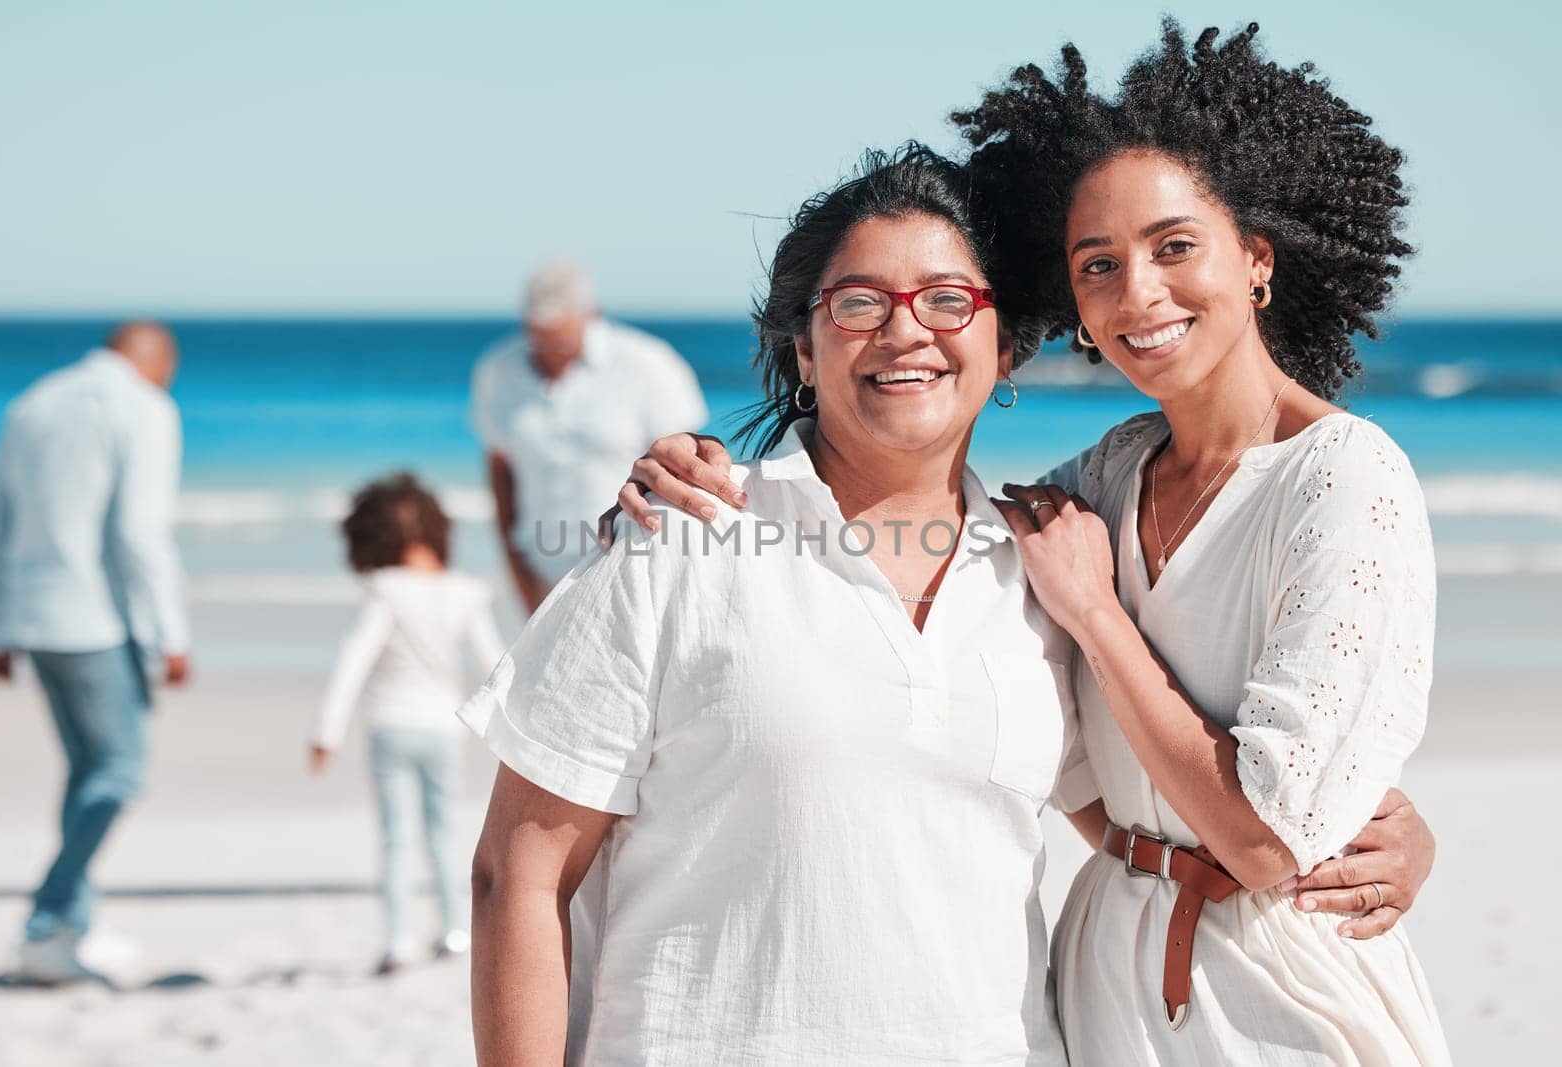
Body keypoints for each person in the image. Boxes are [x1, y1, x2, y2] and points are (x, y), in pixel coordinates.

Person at [614, 20, 1448, 1066]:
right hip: (1104, 974)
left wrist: (1100, 617)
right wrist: (705, 479)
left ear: (1257, 259)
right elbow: (905, 526)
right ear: (1074, 311)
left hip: (1272, 983)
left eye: (1174, 245)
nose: (1136, 291)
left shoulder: (1344, 476)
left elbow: (1268, 835)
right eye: (1097, 264)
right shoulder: (1102, 478)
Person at [462, 146, 1078, 1064]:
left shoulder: (1055, 570)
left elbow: (1151, 820)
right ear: (804, 345)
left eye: (949, 299)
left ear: (1004, 340)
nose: (907, 332)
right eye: (860, 302)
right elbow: (516, 872)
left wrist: (1358, 843)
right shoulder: (680, 539)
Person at [0, 322, 191, 985]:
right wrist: (170, 633)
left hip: (36, 616)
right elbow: (138, 530)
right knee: (121, 770)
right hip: (97, 619)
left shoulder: (33, 401)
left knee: (86, 771)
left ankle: (72, 925)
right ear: (156, 362)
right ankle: (46, 918)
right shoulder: (144, 407)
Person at [308, 473, 504, 976]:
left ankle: (397, 941)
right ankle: (454, 931)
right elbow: (496, 665)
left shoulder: (385, 591)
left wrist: (326, 732)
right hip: (445, 729)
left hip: (391, 728)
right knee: (443, 833)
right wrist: (517, 726)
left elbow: (353, 662)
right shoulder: (466, 593)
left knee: (396, 838)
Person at [469, 261, 708, 617]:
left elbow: (689, 463)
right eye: (539, 332)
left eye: (560, 334)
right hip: (543, 575)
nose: (549, 346)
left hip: (638, 570)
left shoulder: (647, 364)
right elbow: (501, 471)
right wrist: (519, 575)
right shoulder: (497, 371)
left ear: (591, 314)